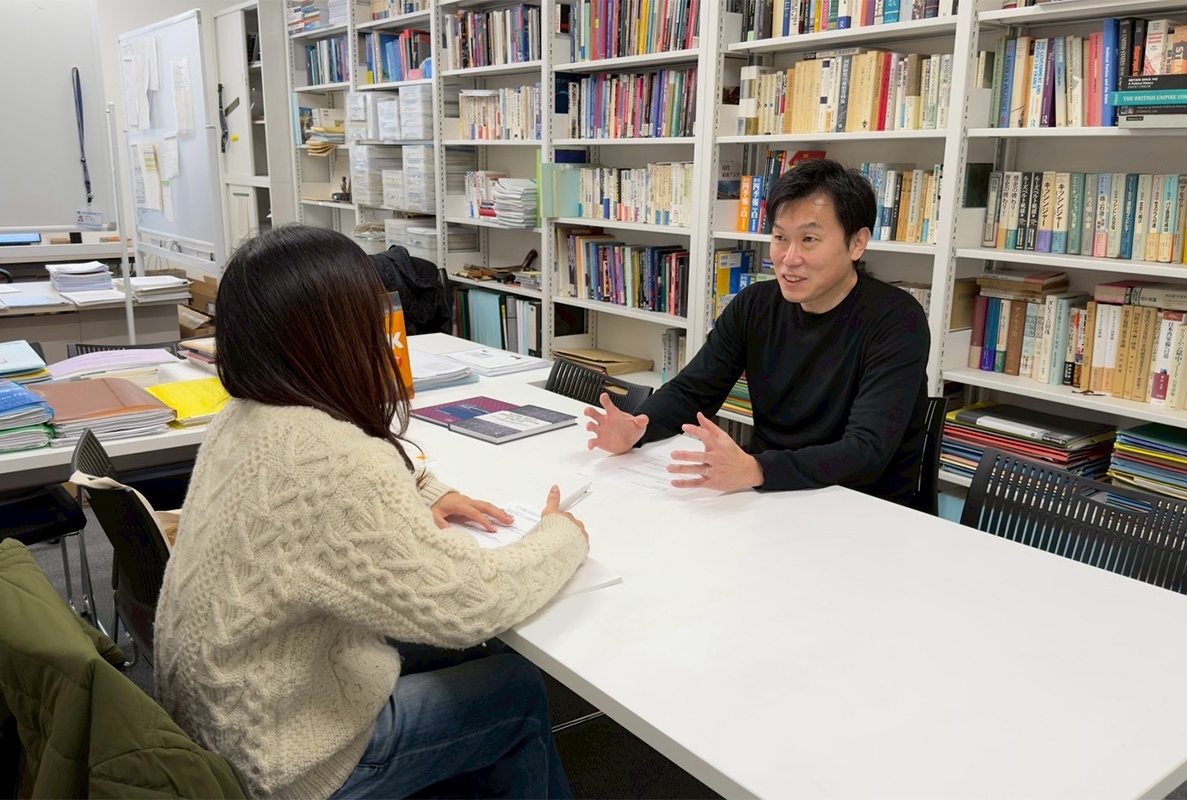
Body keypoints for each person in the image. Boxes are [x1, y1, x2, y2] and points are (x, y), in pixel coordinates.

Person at [154, 225, 589, 800]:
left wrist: (426, 492)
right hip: (281, 763)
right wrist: (561, 537)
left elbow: (315, 508)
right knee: (516, 688)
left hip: (214, 719)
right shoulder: (336, 460)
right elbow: (469, 603)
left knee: (442, 649)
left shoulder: (243, 416)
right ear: (344, 333)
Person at [585, 158, 930, 505]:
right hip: (768, 493)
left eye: (809, 239)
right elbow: (693, 390)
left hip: (863, 505)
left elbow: (866, 451)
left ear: (857, 243)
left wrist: (758, 469)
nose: (789, 258)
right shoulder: (756, 304)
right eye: (780, 237)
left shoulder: (897, 320)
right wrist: (639, 426)